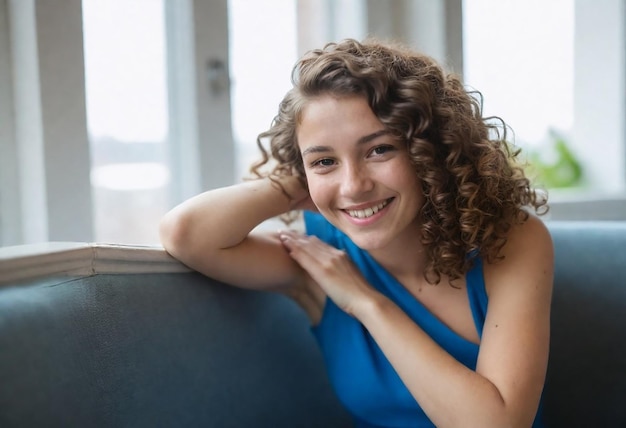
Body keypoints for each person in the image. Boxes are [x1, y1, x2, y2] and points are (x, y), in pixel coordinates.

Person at [159, 38, 553, 428]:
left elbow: (496, 424)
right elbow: (186, 234)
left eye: (379, 150)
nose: (353, 186)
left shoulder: (513, 241)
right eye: (326, 160)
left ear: (431, 151)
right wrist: (303, 178)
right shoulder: (320, 259)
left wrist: (367, 303)